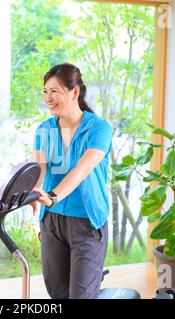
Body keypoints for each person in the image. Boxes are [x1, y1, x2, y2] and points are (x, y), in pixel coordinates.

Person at [30, 63, 112, 299]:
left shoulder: (98, 128)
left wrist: (53, 196)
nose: (48, 98)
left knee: (81, 296)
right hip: (52, 223)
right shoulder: (44, 130)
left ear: (75, 92)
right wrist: (34, 192)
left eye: (54, 91)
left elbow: (82, 169)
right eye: (45, 92)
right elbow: (39, 169)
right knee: (58, 293)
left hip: (87, 222)